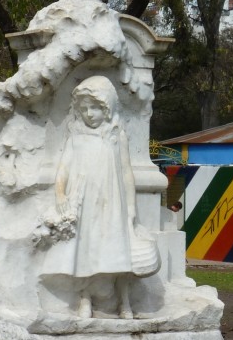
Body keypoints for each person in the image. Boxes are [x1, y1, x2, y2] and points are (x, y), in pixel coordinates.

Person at [49, 75, 158, 318]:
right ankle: (85, 298)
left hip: (113, 202)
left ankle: (124, 301)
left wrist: (130, 208)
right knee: (87, 248)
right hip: (86, 201)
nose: (89, 113)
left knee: (119, 250)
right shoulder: (75, 135)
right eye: (84, 108)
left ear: (107, 108)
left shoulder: (116, 135)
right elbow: (64, 168)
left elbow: (127, 172)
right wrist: (59, 194)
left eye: (95, 108)